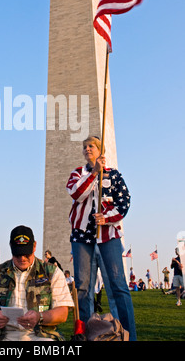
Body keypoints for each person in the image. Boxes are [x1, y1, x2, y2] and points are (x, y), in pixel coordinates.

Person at [66, 135, 137, 341]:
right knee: (82, 289)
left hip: (108, 236)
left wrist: (105, 218)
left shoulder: (114, 175)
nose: (87, 149)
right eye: (85, 147)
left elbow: (123, 203)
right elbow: (76, 194)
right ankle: (85, 336)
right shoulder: (77, 173)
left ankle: (128, 336)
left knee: (119, 286)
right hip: (82, 236)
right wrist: (94, 172)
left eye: (91, 146)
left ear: (100, 150)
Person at [0, 225, 74, 341]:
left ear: (34, 246)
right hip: (1, 334)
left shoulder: (52, 272)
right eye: (17, 254)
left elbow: (62, 313)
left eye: (27, 254)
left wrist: (40, 317)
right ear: (11, 246)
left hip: (40, 335)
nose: (22, 258)